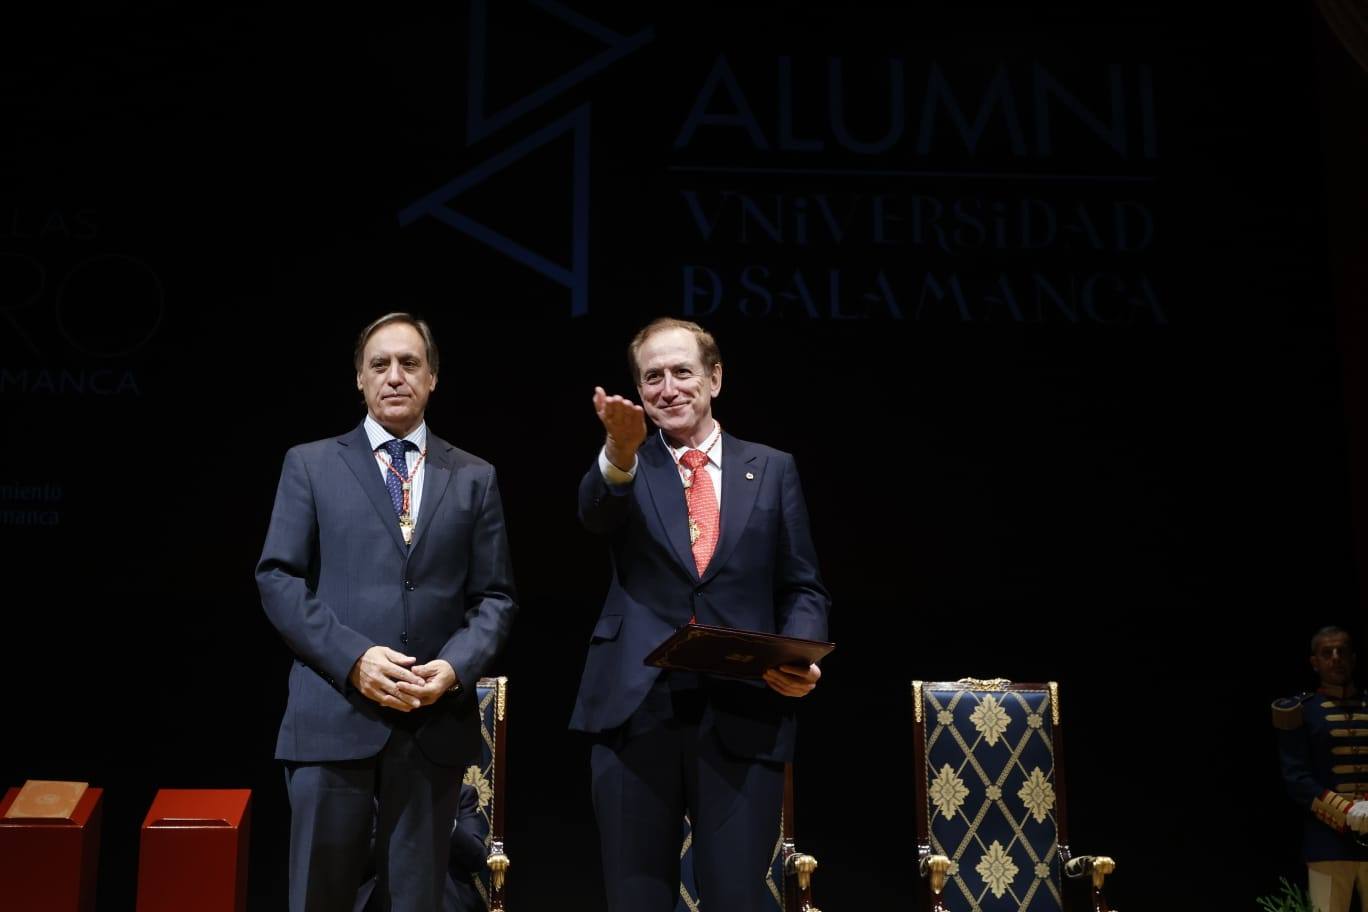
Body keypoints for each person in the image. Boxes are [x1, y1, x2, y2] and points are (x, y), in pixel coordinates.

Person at [257, 312, 517, 912]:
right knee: (319, 898)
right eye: (380, 364)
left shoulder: (474, 476)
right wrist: (354, 659)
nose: (394, 376)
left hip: (430, 729)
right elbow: (278, 578)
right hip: (330, 718)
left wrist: (452, 668)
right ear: (358, 378)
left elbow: (496, 598)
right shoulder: (311, 464)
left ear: (432, 379)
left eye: (409, 364)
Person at [569, 317, 831, 911]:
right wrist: (617, 448)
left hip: (742, 708)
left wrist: (799, 653)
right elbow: (594, 513)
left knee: (736, 898)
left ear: (714, 378)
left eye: (682, 371)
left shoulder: (771, 468)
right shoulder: (629, 463)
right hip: (636, 708)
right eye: (652, 377)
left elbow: (803, 586)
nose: (668, 387)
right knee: (636, 899)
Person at [1274, 626, 1368, 912]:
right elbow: (1297, 779)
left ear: (1353, 657)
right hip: (1328, 841)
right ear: (1315, 662)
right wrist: (1347, 811)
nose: (1336, 658)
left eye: (1342, 652)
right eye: (1327, 653)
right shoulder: (1302, 710)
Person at [355, 782, 488, 912]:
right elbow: (356, 860)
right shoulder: (368, 794)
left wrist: (445, 821)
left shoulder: (461, 793)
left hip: (440, 891)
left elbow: (477, 857)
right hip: (383, 889)